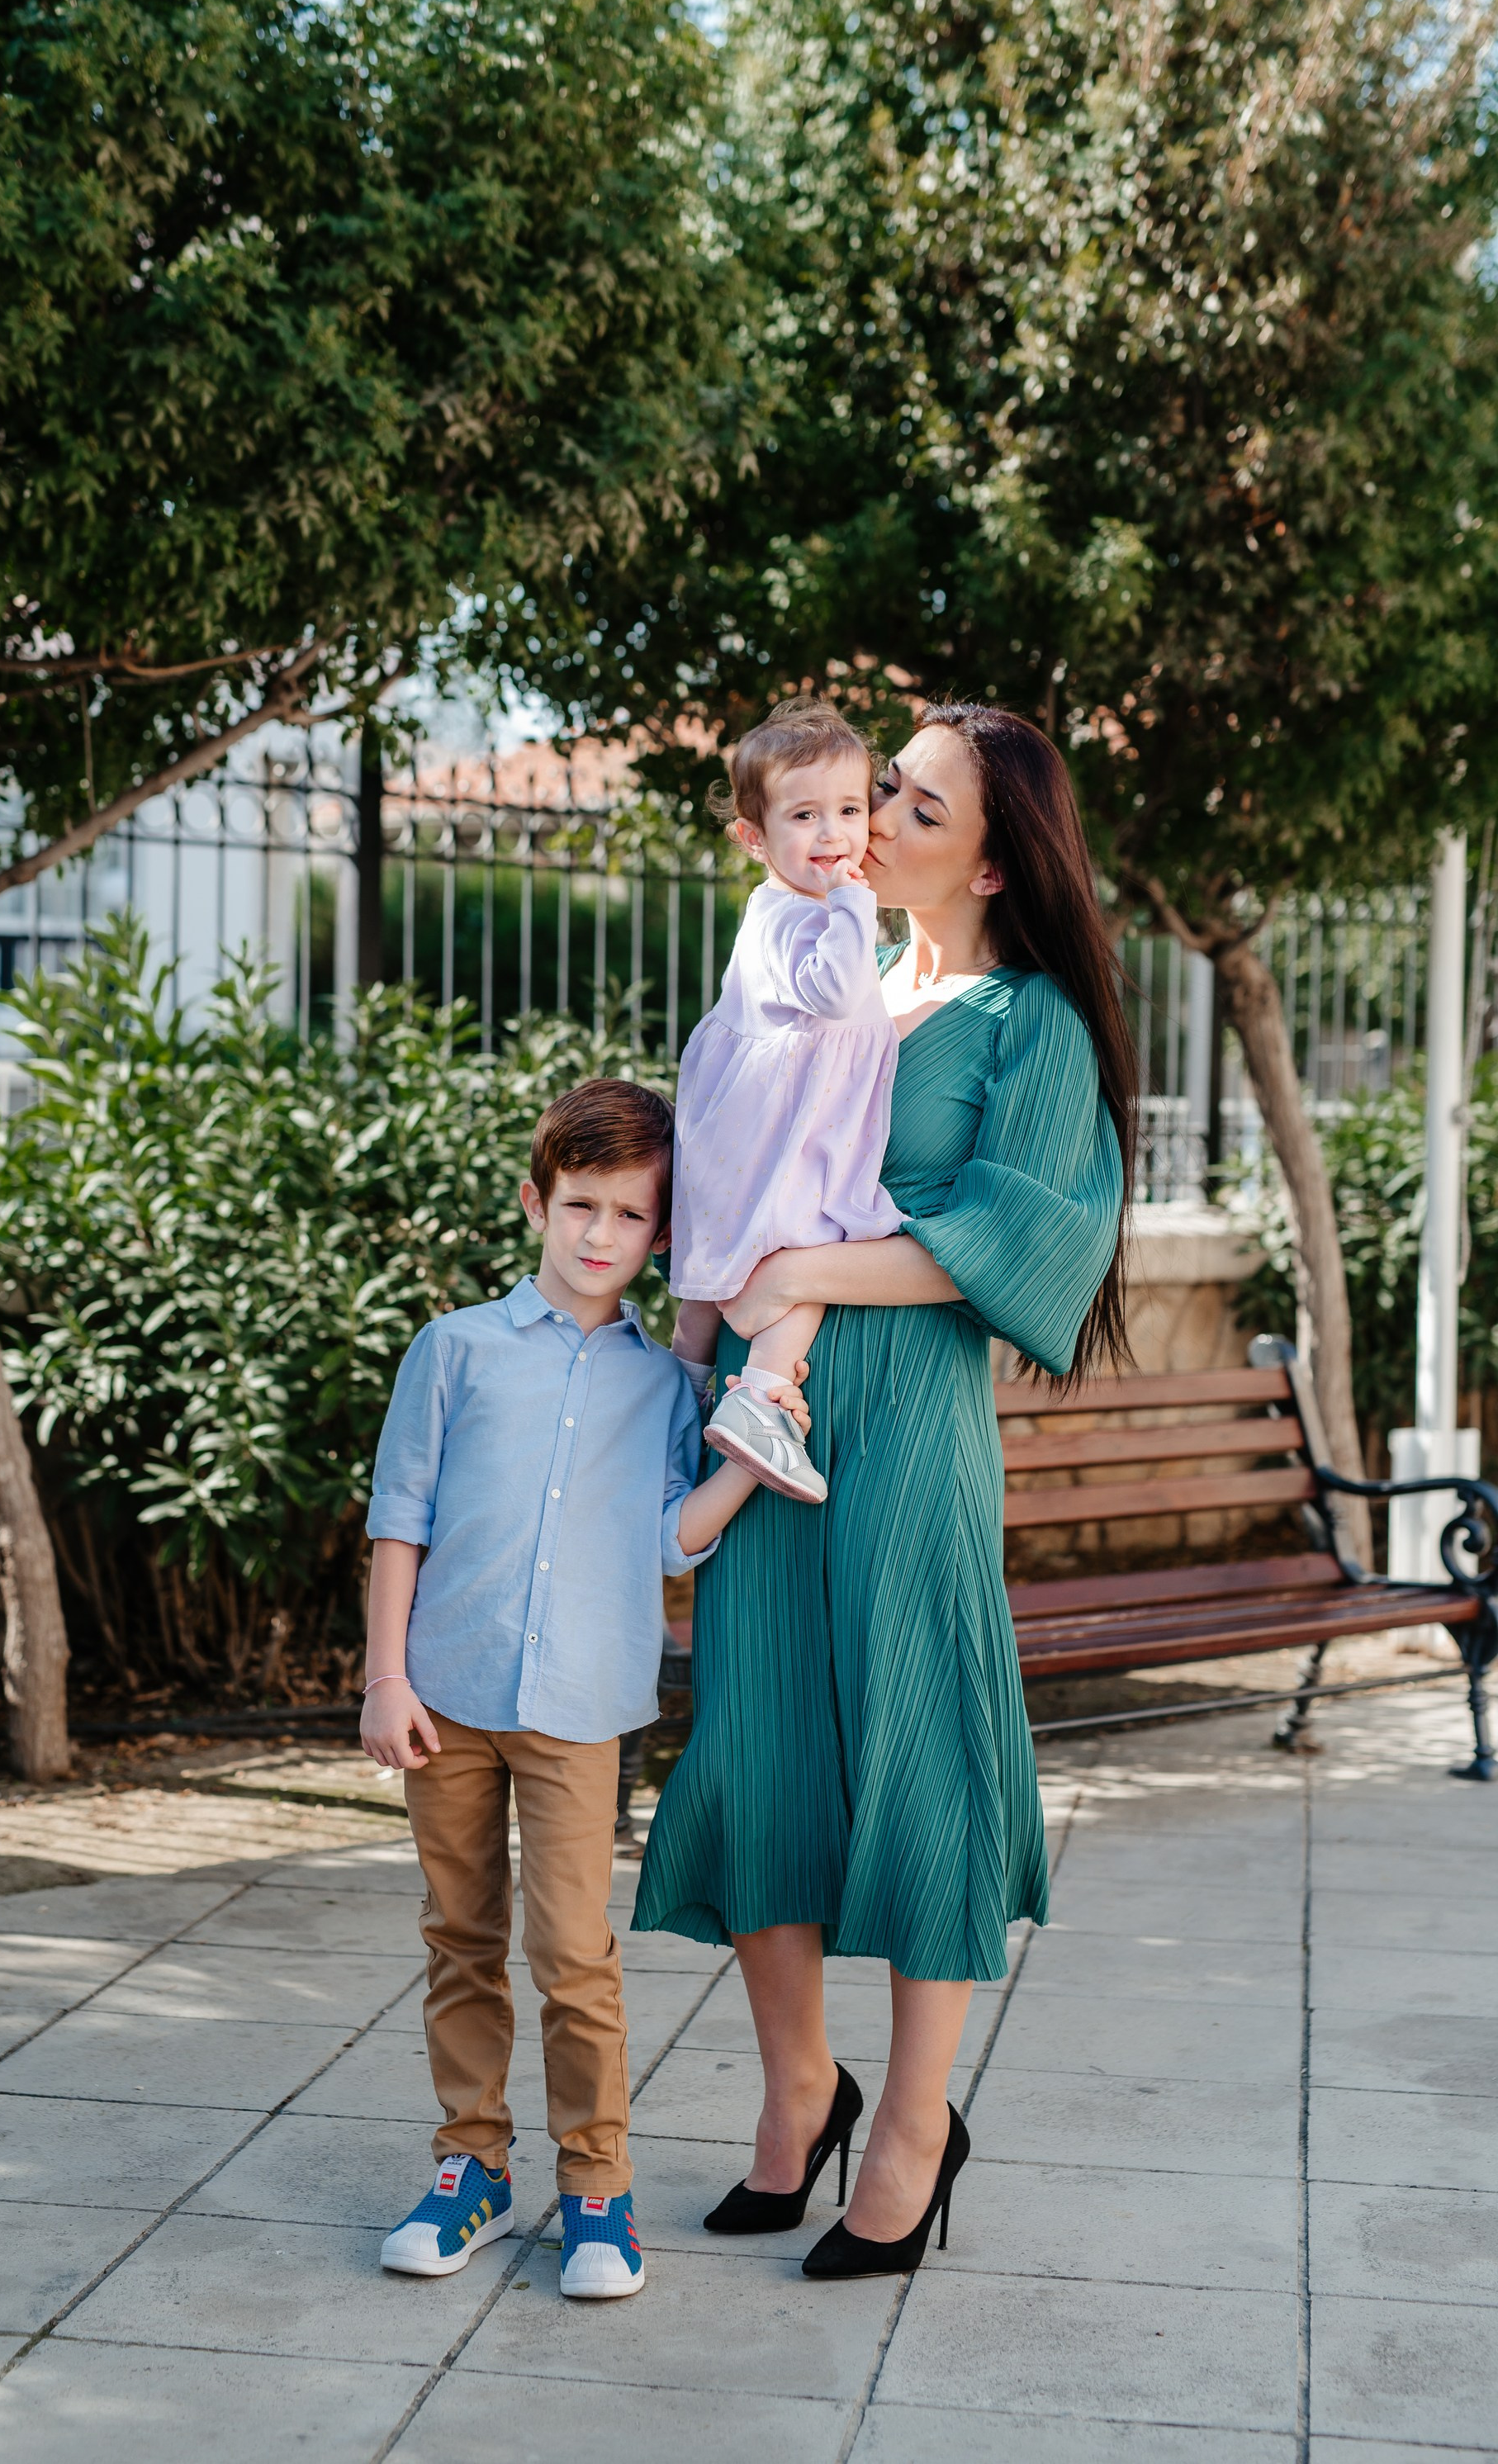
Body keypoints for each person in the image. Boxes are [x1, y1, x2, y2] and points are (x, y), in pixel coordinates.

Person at [634, 702, 1134, 2280]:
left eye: (916, 803)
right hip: (761, 1425)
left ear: (991, 861)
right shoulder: (829, 967)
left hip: (904, 1432)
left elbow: (1021, 1242)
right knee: (759, 1744)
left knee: (917, 1755)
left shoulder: (1027, 1022)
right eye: (883, 791)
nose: (878, 819)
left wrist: (798, 1266)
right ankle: (799, 2087)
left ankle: (914, 2121)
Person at [359, 1078, 809, 2301]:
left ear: (660, 1235)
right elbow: (399, 1520)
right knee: (460, 1937)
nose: (601, 1234)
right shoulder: (452, 1350)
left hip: (578, 1710)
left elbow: (674, 1536)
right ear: (535, 1203)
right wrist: (385, 1674)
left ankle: (597, 2185)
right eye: (580, 1205)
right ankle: (472, 2168)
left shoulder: (667, 1387)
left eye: (628, 1214)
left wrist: (753, 1465)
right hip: (443, 1696)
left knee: (573, 1951)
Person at [671, 696, 903, 1507]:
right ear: (753, 836)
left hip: (758, 1127)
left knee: (713, 1279)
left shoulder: (794, 912)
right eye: (803, 815)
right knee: (806, 1257)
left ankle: (685, 1385)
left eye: (849, 808)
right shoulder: (799, 917)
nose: (835, 835)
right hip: (775, 1137)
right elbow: (838, 998)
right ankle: (758, 1399)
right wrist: (855, 904)